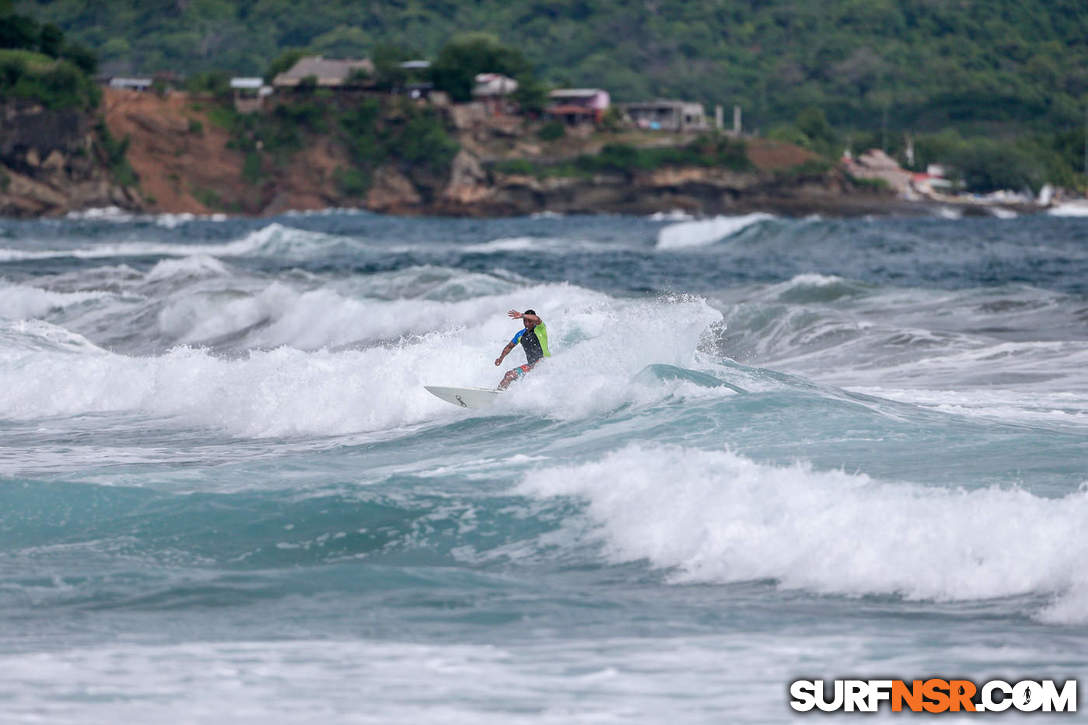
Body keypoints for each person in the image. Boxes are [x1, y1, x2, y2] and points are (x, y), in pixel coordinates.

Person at [495, 308, 550, 389]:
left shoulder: (540, 329)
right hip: (531, 366)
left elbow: (537, 318)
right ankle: (498, 395)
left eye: (529, 321)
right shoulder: (520, 334)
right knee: (508, 375)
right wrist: (500, 358)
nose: (527, 323)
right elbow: (509, 347)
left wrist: (522, 315)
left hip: (544, 363)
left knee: (511, 376)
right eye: (525, 321)